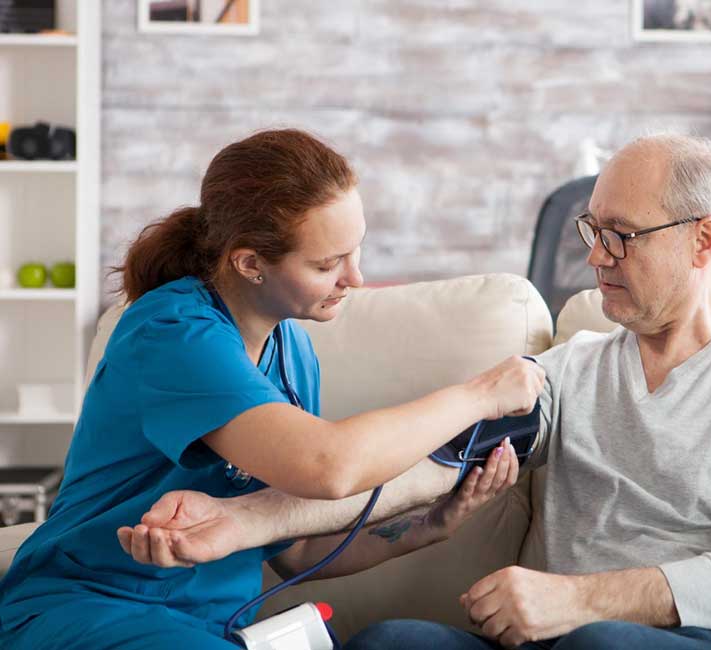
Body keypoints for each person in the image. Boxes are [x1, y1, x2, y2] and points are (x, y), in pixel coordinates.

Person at [119, 133, 711, 650]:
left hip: (708, 640)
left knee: (603, 645)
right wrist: (242, 520)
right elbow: (427, 469)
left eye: (622, 236)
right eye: (592, 230)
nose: (596, 258)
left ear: (703, 240)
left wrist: (577, 600)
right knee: (389, 643)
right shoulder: (572, 370)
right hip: (558, 638)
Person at [0, 128, 544, 650]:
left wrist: (432, 525)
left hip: (205, 631)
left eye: (355, 251)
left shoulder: (292, 350)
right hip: (90, 607)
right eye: (327, 264)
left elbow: (296, 551)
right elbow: (329, 466)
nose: (354, 278)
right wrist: (481, 395)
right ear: (250, 263)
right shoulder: (173, 333)